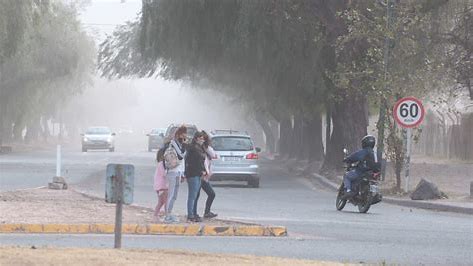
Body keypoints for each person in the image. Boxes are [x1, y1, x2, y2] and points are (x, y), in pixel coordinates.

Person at [342, 135, 379, 199]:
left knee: (347, 176)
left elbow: (354, 157)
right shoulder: (375, 153)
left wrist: (347, 159)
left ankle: (348, 191)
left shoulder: (364, 151)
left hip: (362, 172)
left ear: (364, 143)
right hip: (373, 173)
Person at [163, 126, 187, 224]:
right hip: (173, 171)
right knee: (171, 194)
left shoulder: (179, 144)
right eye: (184, 133)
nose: (185, 135)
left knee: (174, 195)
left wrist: (182, 173)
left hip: (178, 172)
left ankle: (169, 213)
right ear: (179, 134)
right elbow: (181, 156)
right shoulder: (174, 143)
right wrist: (185, 146)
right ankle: (167, 215)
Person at [194, 131, 218, 219]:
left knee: (210, 194)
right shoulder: (203, 148)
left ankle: (206, 212)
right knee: (197, 195)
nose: (203, 140)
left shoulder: (204, 148)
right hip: (201, 174)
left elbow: (214, 155)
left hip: (204, 174)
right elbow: (213, 154)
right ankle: (193, 213)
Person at [184, 131, 207, 222]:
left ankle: (194, 213)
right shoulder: (193, 149)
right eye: (201, 138)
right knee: (192, 195)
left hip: (198, 174)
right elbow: (193, 163)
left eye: (203, 139)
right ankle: (190, 215)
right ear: (196, 138)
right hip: (193, 174)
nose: (202, 140)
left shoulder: (199, 148)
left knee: (196, 195)